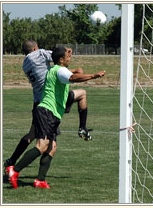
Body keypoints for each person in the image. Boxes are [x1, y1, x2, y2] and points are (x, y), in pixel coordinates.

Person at [7, 46, 106, 188]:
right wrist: (93, 76)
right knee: (42, 146)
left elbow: (70, 74)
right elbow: (73, 77)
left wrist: (70, 56)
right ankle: (14, 170)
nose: (70, 57)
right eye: (68, 55)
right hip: (46, 111)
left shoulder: (58, 70)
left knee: (52, 147)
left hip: (52, 114)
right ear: (61, 59)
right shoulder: (59, 70)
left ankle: (40, 180)